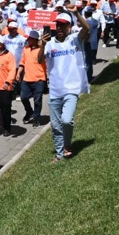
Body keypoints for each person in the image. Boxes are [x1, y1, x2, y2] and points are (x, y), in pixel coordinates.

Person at [38, 9, 91, 162]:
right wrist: (42, 44)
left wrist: (77, 13)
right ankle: (60, 154)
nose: (59, 28)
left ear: (69, 26)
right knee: (55, 125)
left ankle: (67, 144)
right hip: (55, 90)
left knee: (66, 120)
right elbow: (39, 60)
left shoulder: (75, 39)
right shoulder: (49, 43)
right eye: (57, 25)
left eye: (63, 25)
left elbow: (87, 28)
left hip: (71, 89)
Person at [16, 30, 47, 128]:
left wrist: (42, 46)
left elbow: (42, 59)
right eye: (29, 38)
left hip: (39, 79)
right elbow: (22, 62)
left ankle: (36, 118)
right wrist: (19, 72)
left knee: (37, 100)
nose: (29, 40)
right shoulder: (26, 49)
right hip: (27, 79)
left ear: (36, 40)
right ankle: (29, 112)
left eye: (31, 39)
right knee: (23, 97)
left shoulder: (42, 50)